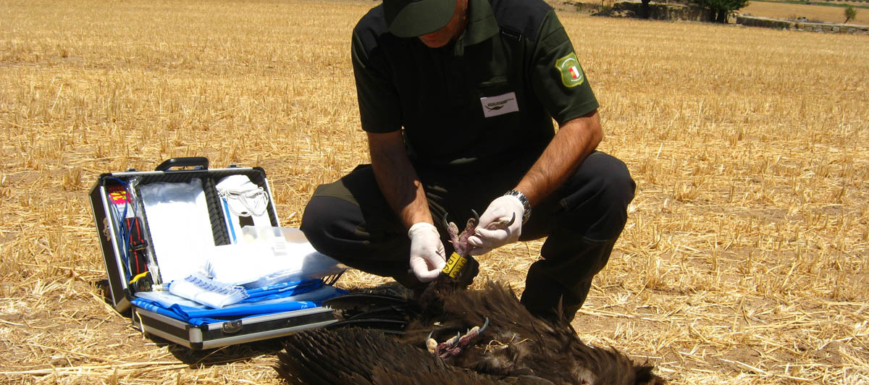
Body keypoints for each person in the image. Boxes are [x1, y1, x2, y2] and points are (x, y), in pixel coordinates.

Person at [300, 0, 635, 322]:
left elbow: (584, 124)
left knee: (607, 182)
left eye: (435, 13)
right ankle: (443, 282)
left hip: (525, 181)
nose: (424, 30)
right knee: (327, 216)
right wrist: (419, 225)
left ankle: (541, 320)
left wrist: (520, 200)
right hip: (431, 187)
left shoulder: (526, 20)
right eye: (410, 18)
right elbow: (387, 149)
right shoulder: (375, 37)